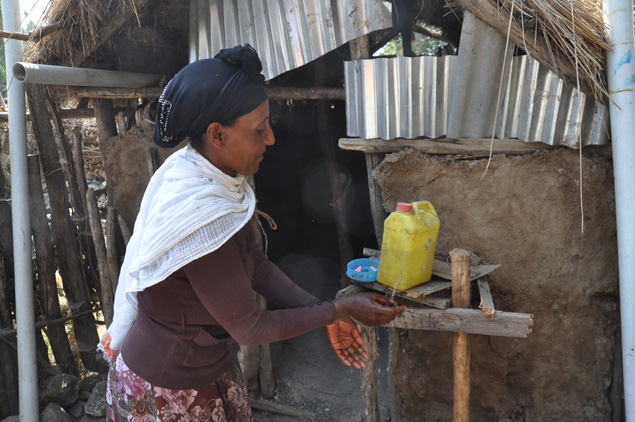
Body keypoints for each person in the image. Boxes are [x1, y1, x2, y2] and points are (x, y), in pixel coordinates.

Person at [100, 44, 405, 422]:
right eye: (259, 129)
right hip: (168, 391)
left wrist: (323, 312)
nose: (272, 138)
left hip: (210, 371)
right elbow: (250, 326)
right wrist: (337, 309)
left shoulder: (219, 181)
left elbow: (255, 265)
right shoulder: (201, 213)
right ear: (217, 135)